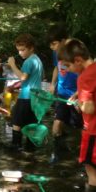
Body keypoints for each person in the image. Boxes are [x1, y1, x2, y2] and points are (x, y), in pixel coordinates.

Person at [58, 39, 96, 192]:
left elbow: (89, 109)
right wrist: (79, 95)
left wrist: (79, 103)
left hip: (93, 131)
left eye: (68, 65)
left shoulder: (84, 77)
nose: (67, 69)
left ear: (78, 60)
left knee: (92, 173)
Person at [47, 24, 83, 163]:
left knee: (80, 127)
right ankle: (57, 152)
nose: (52, 47)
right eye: (50, 45)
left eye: (54, 44)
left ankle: (84, 156)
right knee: (57, 124)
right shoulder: (56, 53)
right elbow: (57, 68)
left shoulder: (76, 51)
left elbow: (86, 73)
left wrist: (80, 93)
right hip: (61, 94)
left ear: (63, 40)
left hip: (76, 95)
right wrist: (52, 84)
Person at [6, 33, 43, 151]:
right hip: (36, 97)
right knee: (31, 122)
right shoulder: (37, 60)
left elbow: (22, 77)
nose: (20, 53)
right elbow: (35, 78)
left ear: (31, 48)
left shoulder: (28, 62)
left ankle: (15, 146)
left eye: (23, 50)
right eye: (18, 50)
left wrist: (12, 65)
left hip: (26, 96)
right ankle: (30, 147)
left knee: (16, 120)